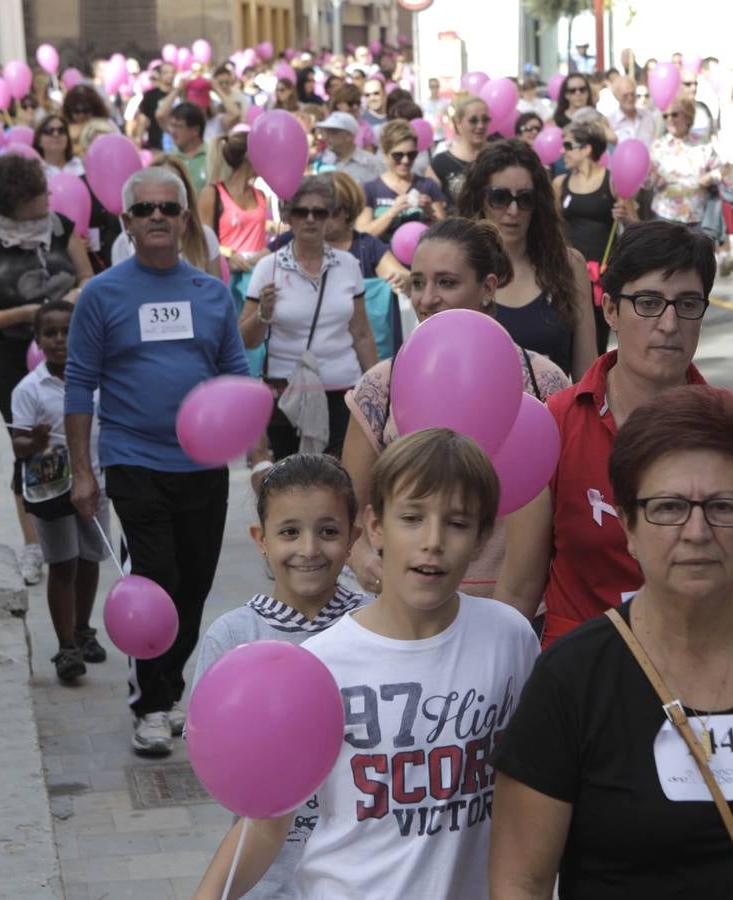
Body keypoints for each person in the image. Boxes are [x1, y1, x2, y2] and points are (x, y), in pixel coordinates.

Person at [490, 385, 733, 899]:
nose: (696, 531)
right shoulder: (570, 681)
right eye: (667, 507)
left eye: (723, 506)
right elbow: (522, 881)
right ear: (626, 526)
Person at [194, 428, 541, 900]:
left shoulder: (510, 639)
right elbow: (266, 827)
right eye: (412, 518)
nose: (433, 541)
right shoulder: (319, 664)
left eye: (457, 523)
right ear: (376, 528)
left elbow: (528, 793)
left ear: (483, 537)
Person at [496, 220, 733, 646]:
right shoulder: (553, 423)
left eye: (688, 304)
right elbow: (519, 590)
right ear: (611, 309)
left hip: (711, 661)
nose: (669, 323)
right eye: (648, 302)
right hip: (587, 672)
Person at [65, 166, 249, 757]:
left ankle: (165, 691)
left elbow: (235, 376)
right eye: (145, 210)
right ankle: (150, 702)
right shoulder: (102, 294)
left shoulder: (211, 293)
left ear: (185, 218)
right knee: (157, 579)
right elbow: (77, 385)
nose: (158, 218)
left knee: (193, 587)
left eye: (169, 208)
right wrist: (83, 471)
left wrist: (256, 454)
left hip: (204, 467)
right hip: (134, 460)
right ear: (126, 222)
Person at [342, 217, 569, 598]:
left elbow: (566, 507)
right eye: (418, 282)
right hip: (411, 612)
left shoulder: (543, 381)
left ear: (488, 288)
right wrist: (364, 558)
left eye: (446, 282)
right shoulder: (380, 387)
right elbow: (350, 507)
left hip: (521, 611)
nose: (426, 298)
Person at [194, 453, 365, 899]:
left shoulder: (374, 627)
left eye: (328, 532)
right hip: (267, 882)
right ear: (261, 539)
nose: (309, 549)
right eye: (289, 532)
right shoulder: (232, 637)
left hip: (361, 879)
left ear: (354, 539)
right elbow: (219, 764)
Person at [0, 154, 94, 586]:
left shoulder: (62, 229)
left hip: (68, 349)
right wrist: (26, 312)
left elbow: (89, 277)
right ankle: (35, 543)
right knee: (30, 446)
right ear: (15, 202)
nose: (47, 198)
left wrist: (68, 303)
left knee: (73, 434)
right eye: (37, 194)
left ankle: (77, 528)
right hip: (9, 360)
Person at [241, 175, 378, 460]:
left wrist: (376, 388)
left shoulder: (348, 265)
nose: (311, 219)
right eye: (302, 212)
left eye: (320, 212)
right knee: (293, 483)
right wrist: (263, 315)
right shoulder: (269, 267)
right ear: (289, 216)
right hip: (288, 392)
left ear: (330, 216)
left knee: (342, 478)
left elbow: (362, 333)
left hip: (344, 389)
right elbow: (247, 340)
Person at [10, 300, 110, 683]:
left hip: (96, 481)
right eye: (50, 333)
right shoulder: (29, 389)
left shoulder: (98, 379)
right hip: (51, 491)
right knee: (63, 564)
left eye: (67, 331)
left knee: (89, 559)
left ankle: (84, 630)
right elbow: (17, 446)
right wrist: (31, 441)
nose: (59, 340)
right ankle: (66, 646)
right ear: (37, 340)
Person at [457, 139, 597, 379]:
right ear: (481, 198)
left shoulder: (569, 265)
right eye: (500, 198)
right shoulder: (459, 267)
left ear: (538, 203)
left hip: (554, 415)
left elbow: (587, 373)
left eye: (525, 199)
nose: (513, 211)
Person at [555, 120, 635, 356]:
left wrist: (626, 218)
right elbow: (552, 228)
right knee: (567, 338)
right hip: (570, 273)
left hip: (602, 274)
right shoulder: (560, 184)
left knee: (597, 341)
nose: (562, 151)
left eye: (568, 145)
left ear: (587, 148)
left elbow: (637, 226)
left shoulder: (612, 180)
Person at [322, 172, 410, 360]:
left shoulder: (366, 245)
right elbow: (257, 262)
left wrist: (401, 280)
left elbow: (404, 276)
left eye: (333, 210)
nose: (325, 218)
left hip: (363, 355)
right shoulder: (300, 244)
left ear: (347, 211)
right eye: (318, 210)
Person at [649, 94, 733, 265]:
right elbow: (646, 183)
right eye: (665, 116)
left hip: (696, 216)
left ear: (688, 116)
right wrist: (652, 179)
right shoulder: (657, 147)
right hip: (665, 213)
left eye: (675, 115)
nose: (670, 120)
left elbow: (727, 170)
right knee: (667, 264)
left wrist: (710, 176)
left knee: (694, 265)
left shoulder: (702, 145)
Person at [111, 155, 224, 279]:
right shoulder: (123, 242)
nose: (157, 216)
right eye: (147, 206)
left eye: (168, 205)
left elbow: (215, 292)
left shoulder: (205, 237)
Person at [200, 132, 271, 318]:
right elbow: (202, 240)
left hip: (258, 277)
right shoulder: (212, 193)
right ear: (249, 156)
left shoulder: (260, 194)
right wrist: (229, 255)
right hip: (227, 277)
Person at [356, 120, 445, 243]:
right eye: (398, 155)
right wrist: (392, 212)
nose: (405, 160)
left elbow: (445, 235)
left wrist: (429, 212)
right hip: (383, 259)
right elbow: (362, 235)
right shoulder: (370, 189)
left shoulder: (428, 185)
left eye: (412, 155)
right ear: (385, 155)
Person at [427, 94, 490, 212]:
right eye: (473, 121)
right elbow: (433, 211)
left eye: (485, 120)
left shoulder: (500, 157)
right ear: (458, 124)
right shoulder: (440, 163)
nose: (480, 125)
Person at [311, 110, 385, 184]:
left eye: (333, 132)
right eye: (326, 132)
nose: (326, 137)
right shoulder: (320, 162)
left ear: (349, 136)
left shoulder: (372, 163)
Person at [163, 101, 210, 191]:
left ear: (195, 130)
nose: (172, 132)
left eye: (178, 126)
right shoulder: (169, 159)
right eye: (172, 126)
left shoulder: (213, 157)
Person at [131, 61, 175, 151]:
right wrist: (138, 140)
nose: (170, 75)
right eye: (166, 72)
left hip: (176, 145)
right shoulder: (149, 95)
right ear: (159, 75)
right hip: (156, 144)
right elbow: (143, 119)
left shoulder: (179, 94)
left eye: (172, 72)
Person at [61, 84, 113, 157]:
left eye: (86, 110)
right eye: (76, 111)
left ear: (95, 109)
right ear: (69, 111)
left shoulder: (103, 127)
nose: (81, 115)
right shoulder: (63, 129)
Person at [607, 74, 655, 147]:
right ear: (616, 96)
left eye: (632, 94)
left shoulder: (648, 116)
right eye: (625, 95)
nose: (630, 98)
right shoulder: (610, 122)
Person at [33, 114, 83, 178]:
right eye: (49, 130)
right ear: (39, 141)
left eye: (61, 130)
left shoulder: (82, 165)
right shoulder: (35, 171)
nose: (56, 134)